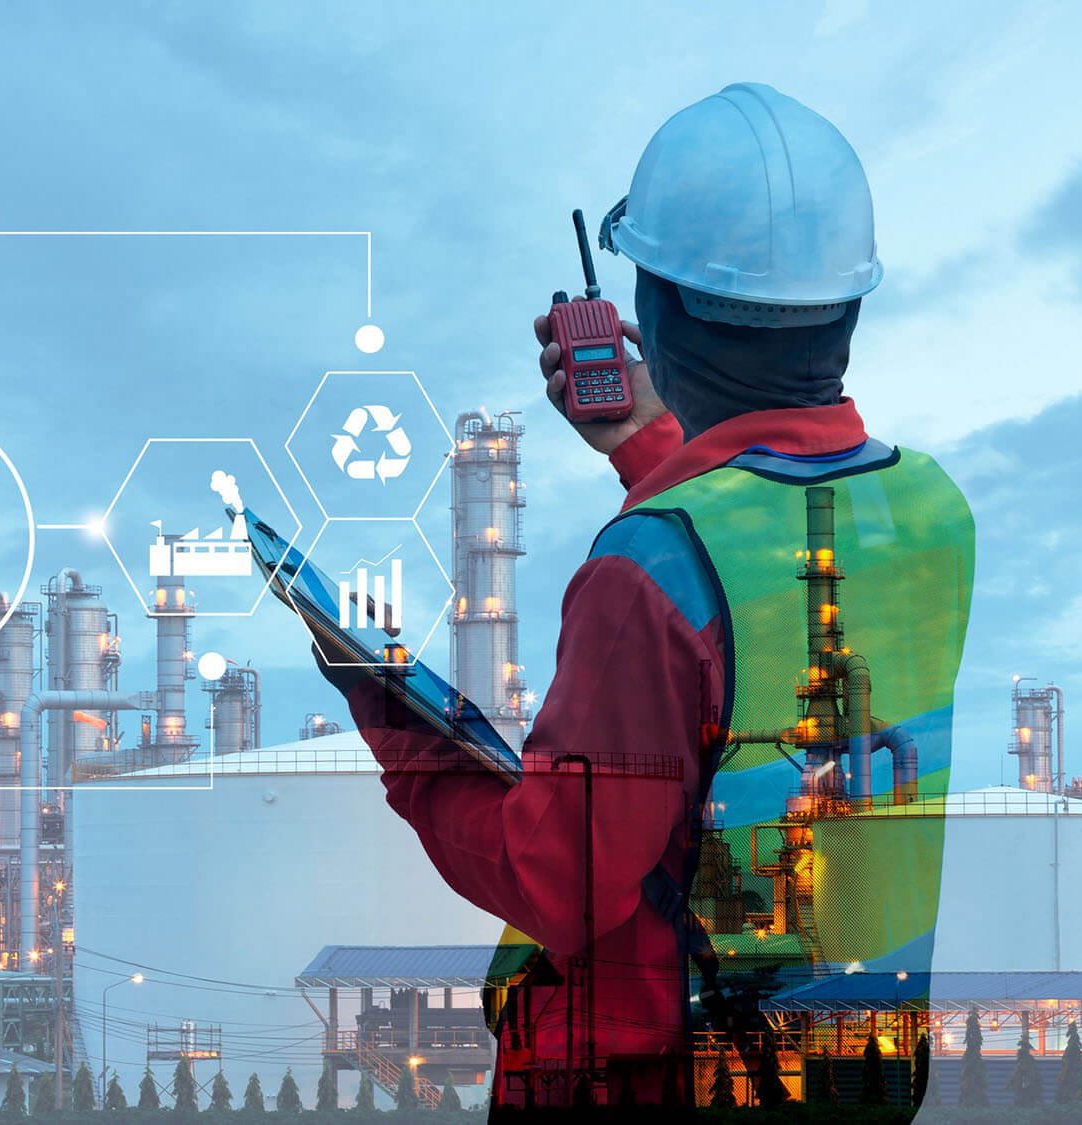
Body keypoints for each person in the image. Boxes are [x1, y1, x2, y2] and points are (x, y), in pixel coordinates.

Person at [319, 83, 974, 1114]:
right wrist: (650, 448)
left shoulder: (642, 576)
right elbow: (774, 563)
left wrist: (392, 726)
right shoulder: (931, 512)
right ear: (845, 304)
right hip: (844, 1069)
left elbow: (558, 882)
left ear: (653, 312)